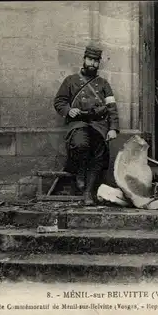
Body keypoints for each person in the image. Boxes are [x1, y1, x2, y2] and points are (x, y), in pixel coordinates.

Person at [54, 43, 119, 205]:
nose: (93, 64)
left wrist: (113, 128)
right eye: (90, 59)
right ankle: (80, 172)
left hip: (98, 124)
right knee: (80, 144)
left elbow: (111, 107)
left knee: (99, 152)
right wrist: (69, 110)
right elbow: (59, 101)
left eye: (96, 61)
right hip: (78, 123)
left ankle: (88, 193)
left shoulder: (104, 84)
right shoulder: (71, 81)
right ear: (84, 59)